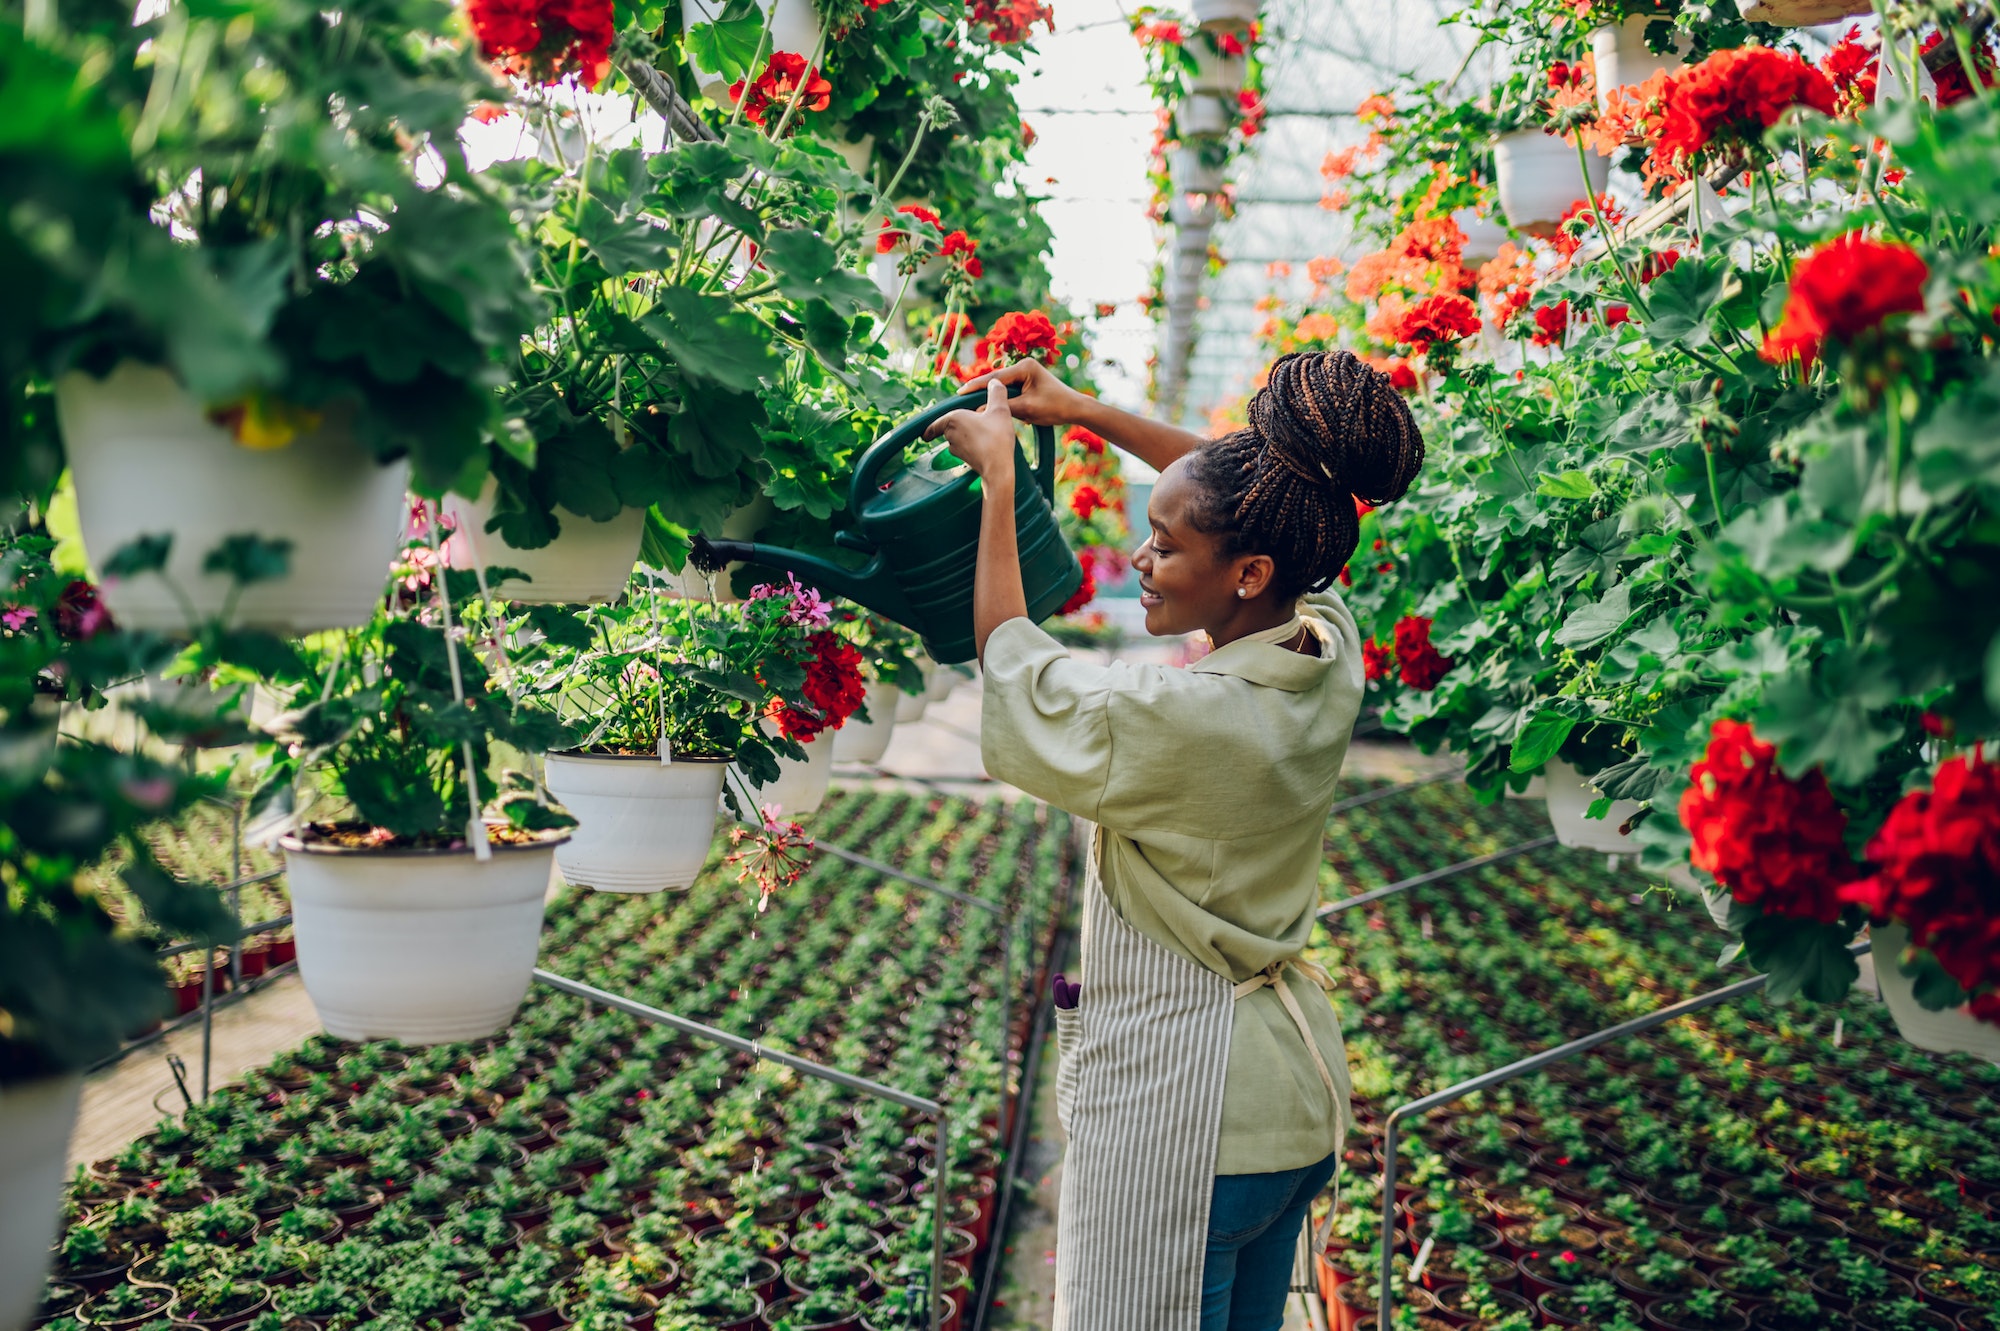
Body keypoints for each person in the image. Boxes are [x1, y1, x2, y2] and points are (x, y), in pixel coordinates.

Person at [925, 350, 1425, 1331]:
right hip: (1282, 1113)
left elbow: (1012, 665)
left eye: (1162, 543)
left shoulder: (1182, 716)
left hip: (1188, 1125)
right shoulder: (1323, 644)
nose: (1141, 559)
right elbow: (1254, 496)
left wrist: (997, 481)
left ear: (1246, 572)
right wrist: (1080, 412)